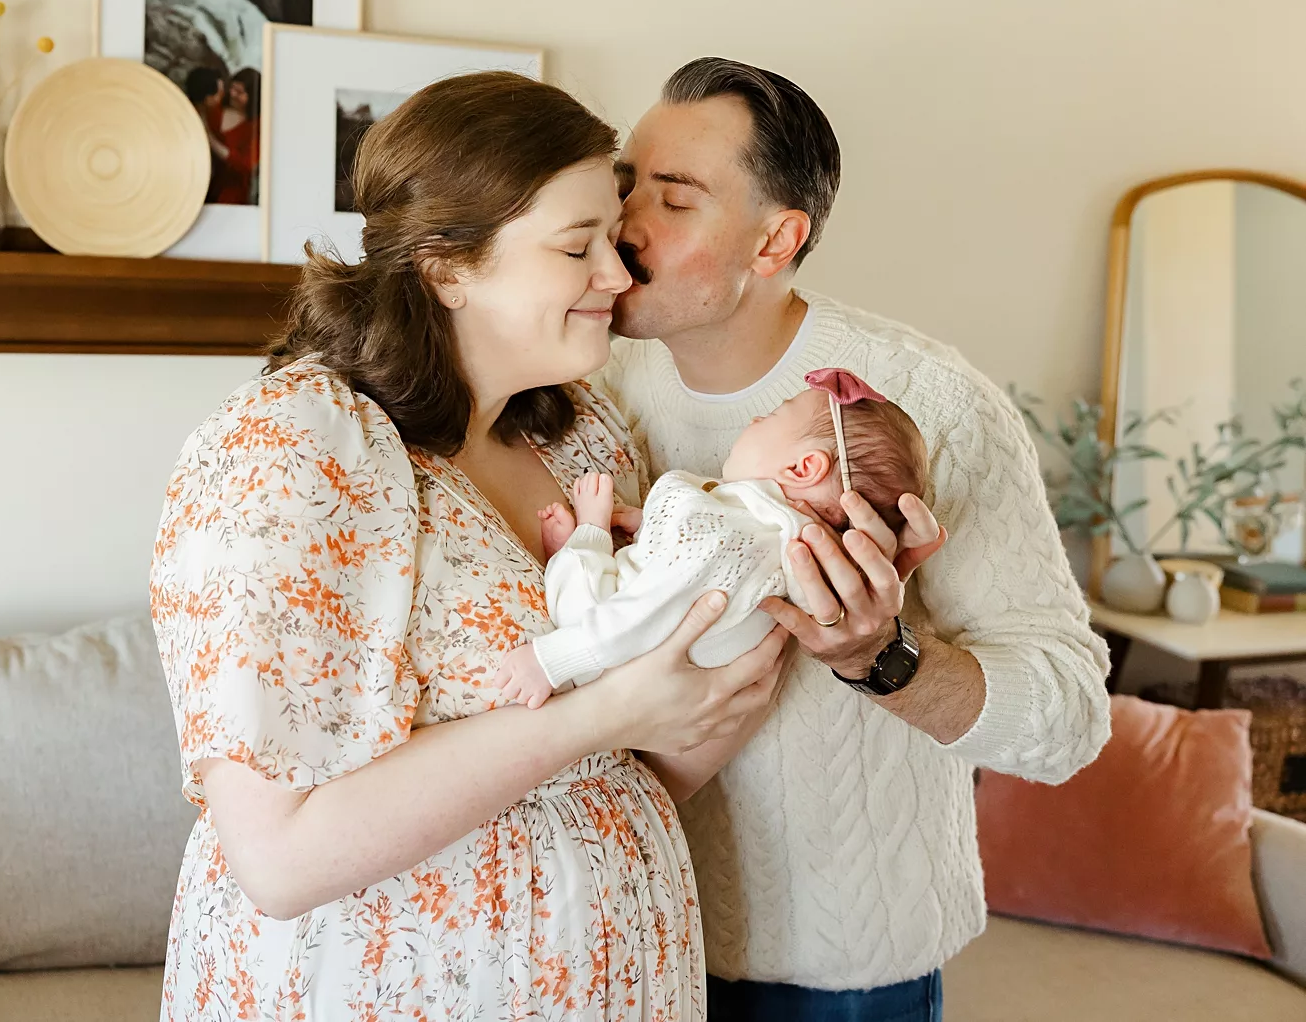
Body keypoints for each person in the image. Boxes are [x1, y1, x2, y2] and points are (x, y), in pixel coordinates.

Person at [149, 70, 791, 1020]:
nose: (618, 277)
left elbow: (632, 763)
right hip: (383, 986)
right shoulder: (293, 450)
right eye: (578, 247)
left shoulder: (580, 437)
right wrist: (605, 713)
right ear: (446, 268)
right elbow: (277, 860)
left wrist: (749, 651)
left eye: (612, 241)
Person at [597, 56, 1112, 1020]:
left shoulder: (928, 405)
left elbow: (1069, 718)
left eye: (671, 199)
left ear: (775, 240)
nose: (624, 224)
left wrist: (886, 658)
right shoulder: (589, 391)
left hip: (847, 973)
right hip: (627, 942)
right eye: (625, 184)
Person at [496, 369, 927, 707]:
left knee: (577, 575)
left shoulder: (730, 536)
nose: (757, 419)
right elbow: (693, 569)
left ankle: (579, 545)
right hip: (659, 661)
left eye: (772, 415)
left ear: (802, 469)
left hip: (607, 643)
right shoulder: (772, 538)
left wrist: (551, 661)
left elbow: (648, 609)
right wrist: (650, 524)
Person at [206, 65, 260, 205]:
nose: (232, 94)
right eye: (232, 88)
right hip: (202, 177)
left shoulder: (257, 126)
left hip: (231, 192)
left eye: (240, 92)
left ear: (254, 96)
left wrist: (212, 141)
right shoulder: (216, 103)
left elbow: (247, 164)